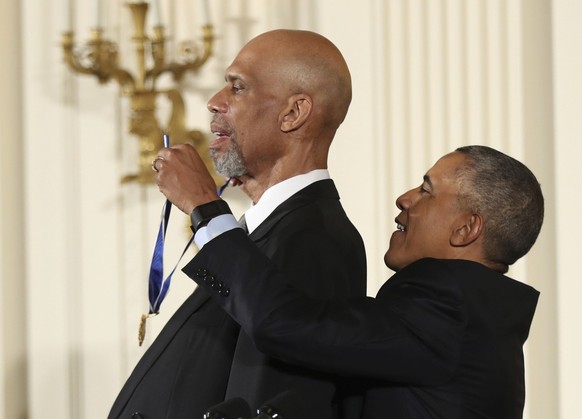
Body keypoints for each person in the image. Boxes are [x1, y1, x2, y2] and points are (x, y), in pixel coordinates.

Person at [155, 144, 544, 418]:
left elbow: (285, 323)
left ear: (465, 228)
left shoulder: (451, 310)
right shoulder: (470, 315)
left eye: (427, 190)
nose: (404, 198)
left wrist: (205, 207)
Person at [108, 30, 367, 419]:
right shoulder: (268, 232)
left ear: (293, 113)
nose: (214, 102)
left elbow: (268, 404)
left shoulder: (314, 240)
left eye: (237, 87)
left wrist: (203, 205)